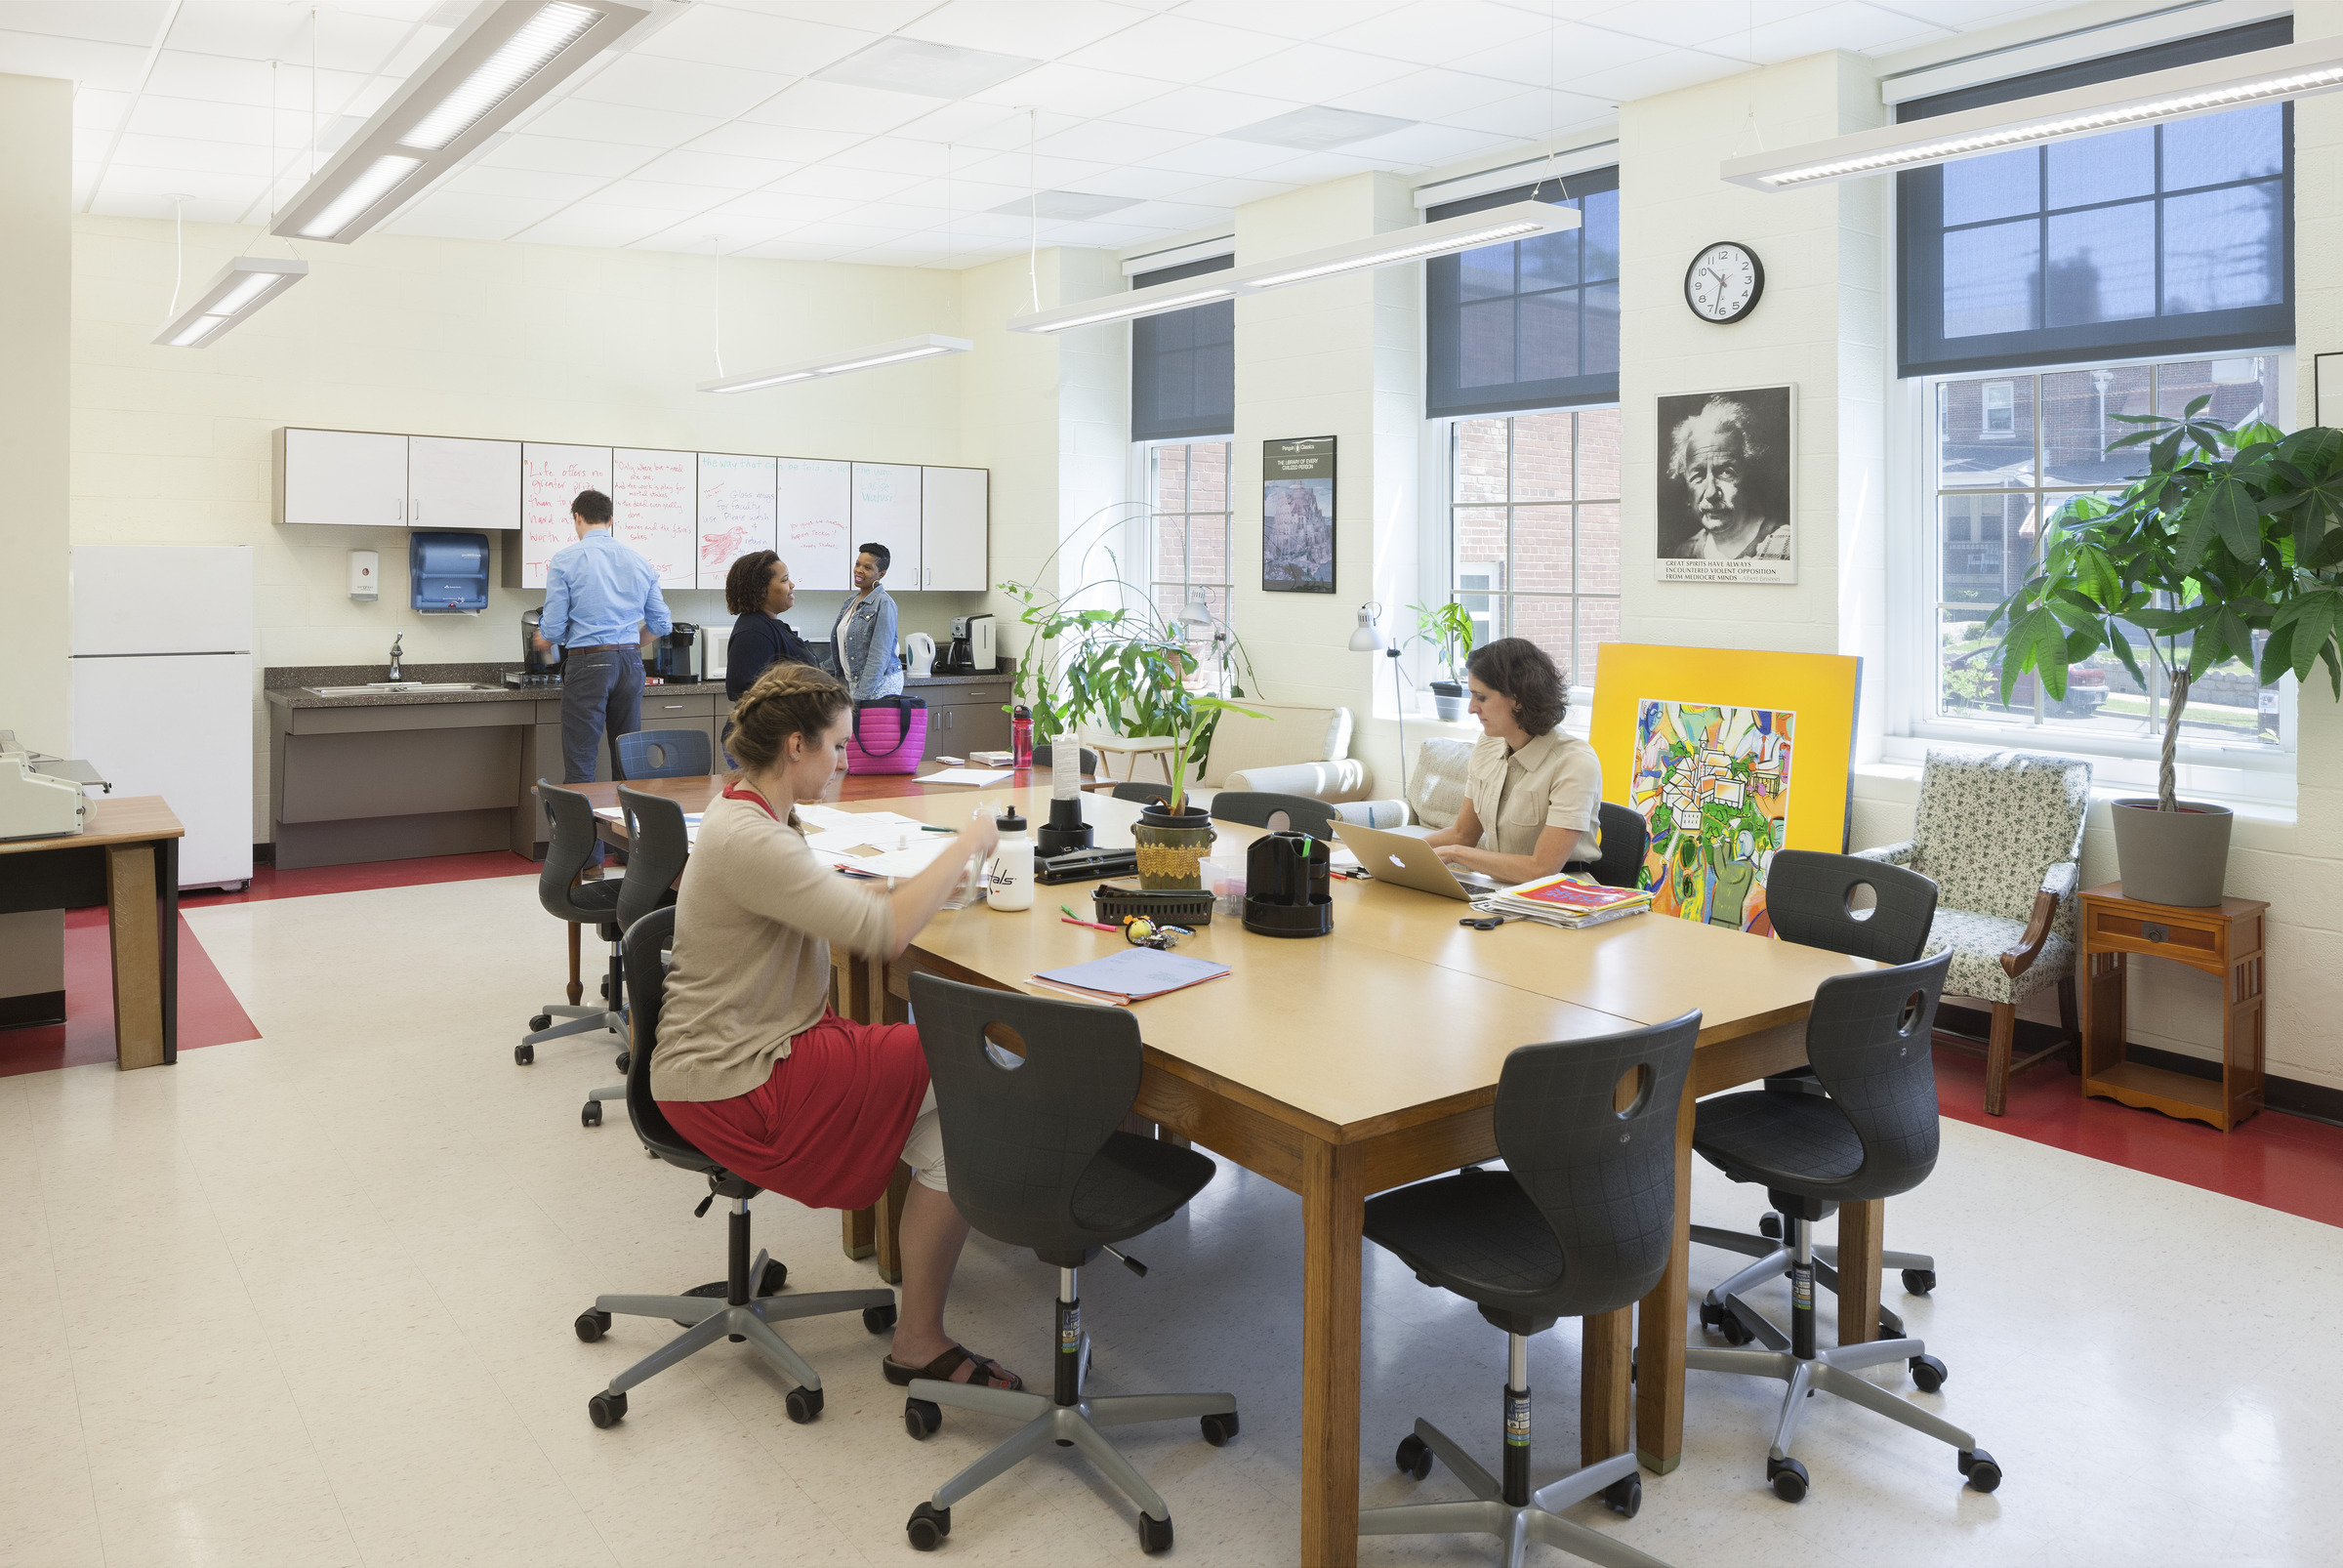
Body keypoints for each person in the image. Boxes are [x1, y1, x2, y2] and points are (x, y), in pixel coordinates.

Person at [651, 663, 1017, 1391]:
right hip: (737, 1078)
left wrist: (925, 886)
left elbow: (841, 898)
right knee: (966, 1057)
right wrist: (967, 841)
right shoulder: (753, 839)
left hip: (751, 1052)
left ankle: (918, 1340)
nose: (848, 761)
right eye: (839, 747)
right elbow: (877, 935)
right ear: (796, 745)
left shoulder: (756, 814)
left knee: (956, 1136)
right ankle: (938, 1312)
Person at [535, 488, 670, 869]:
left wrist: (545, 637)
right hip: (630, 665)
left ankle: (587, 859)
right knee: (627, 761)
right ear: (611, 520)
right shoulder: (639, 560)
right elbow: (661, 624)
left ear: (576, 517)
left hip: (588, 664)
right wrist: (627, 644)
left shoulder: (565, 560)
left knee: (581, 765)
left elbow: (556, 627)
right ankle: (630, 853)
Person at [1423, 638, 1602, 887]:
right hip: (1501, 891)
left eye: (1481, 697)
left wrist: (1454, 853)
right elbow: (1462, 834)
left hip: (1561, 898)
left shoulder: (1575, 763)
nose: (1471, 708)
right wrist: (1395, 851)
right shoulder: (1487, 745)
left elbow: (1541, 870)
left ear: (1518, 699)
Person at [1665, 395, 1790, 561]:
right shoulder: (1684, 553)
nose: (1711, 493)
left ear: (1748, 479)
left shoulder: (1787, 546)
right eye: (1698, 476)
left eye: (1726, 473)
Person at [828, 542, 903, 700]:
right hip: (855, 683)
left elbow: (879, 656)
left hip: (880, 684)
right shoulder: (850, 601)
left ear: (881, 574)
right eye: (857, 564)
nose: (859, 570)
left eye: (867, 568)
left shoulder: (884, 603)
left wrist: (861, 696)